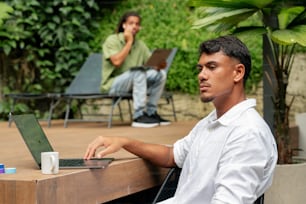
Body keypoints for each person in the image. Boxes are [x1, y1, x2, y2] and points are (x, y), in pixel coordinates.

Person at [85, 36, 278, 203]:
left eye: (212, 67)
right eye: (200, 68)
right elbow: (171, 155)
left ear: (238, 72)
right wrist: (125, 142)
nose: (201, 75)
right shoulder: (210, 123)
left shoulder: (247, 132)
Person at [101, 11, 170, 128]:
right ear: (124, 25)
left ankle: (151, 112)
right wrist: (129, 42)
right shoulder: (112, 40)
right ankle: (138, 116)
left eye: (137, 24)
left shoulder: (140, 45)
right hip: (113, 84)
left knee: (160, 74)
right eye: (131, 23)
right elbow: (116, 62)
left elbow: (151, 64)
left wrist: (159, 65)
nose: (134, 26)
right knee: (138, 72)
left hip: (135, 81)